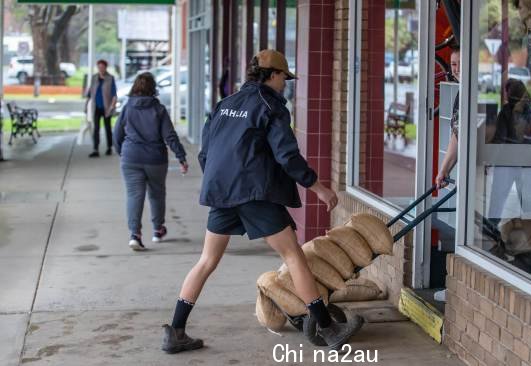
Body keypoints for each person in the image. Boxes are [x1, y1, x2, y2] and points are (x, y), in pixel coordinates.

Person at [161, 49, 364, 354]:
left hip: (223, 192)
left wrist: (223, 182)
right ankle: (328, 328)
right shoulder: (271, 106)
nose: (286, 83)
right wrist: (318, 187)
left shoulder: (225, 103)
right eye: (285, 77)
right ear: (273, 75)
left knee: (206, 261)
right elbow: (287, 155)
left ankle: (176, 331)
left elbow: (206, 152)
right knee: (294, 256)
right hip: (255, 192)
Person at [113, 72, 188, 251]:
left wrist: (121, 152)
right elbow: (169, 135)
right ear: (153, 88)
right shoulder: (159, 109)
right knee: (156, 194)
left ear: (135, 87)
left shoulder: (127, 107)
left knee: (134, 196)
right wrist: (181, 156)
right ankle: (158, 230)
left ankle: (135, 235)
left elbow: (117, 133)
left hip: (131, 157)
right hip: (155, 159)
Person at [486, 78, 531, 221]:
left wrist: (488, 159)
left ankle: (491, 229)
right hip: (530, 160)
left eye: (506, 91)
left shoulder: (506, 111)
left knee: (498, 198)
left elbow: (500, 138)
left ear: (509, 93)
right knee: (528, 199)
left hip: (508, 160)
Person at [435, 44, 461, 190]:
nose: (457, 69)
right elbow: (457, 135)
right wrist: (444, 170)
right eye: (453, 64)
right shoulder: (462, 92)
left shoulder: (478, 92)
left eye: (461, 64)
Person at [86, 59, 118, 158]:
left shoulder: (110, 78)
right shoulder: (94, 78)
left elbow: (114, 95)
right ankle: (95, 149)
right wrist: (86, 106)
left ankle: (109, 147)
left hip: (106, 107)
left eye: (102, 67)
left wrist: (112, 107)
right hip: (96, 107)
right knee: (96, 129)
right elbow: (90, 93)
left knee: (108, 128)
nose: (101, 69)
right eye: (99, 67)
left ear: (105, 67)